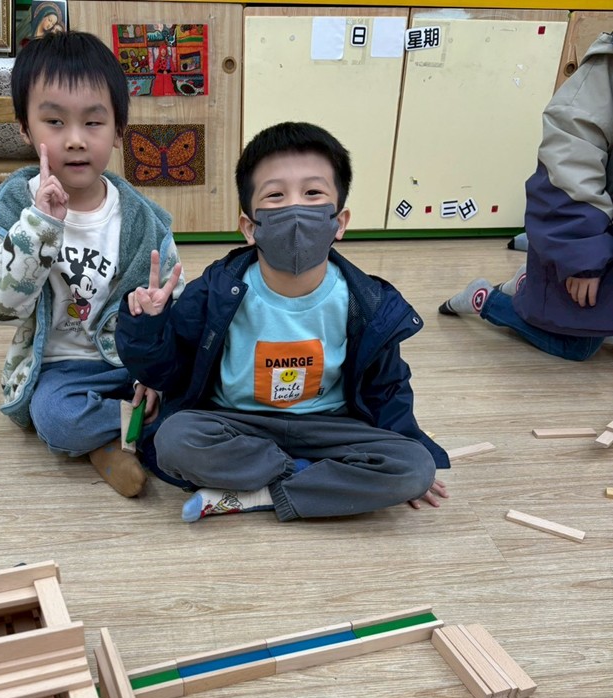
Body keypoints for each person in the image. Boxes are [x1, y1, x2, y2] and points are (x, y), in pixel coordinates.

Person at [116, 121, 449, 523]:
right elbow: (168, 369)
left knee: (415, 466)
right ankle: (310, 482)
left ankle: (258, 492)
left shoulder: (365, 301)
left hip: (330, 426)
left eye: (313, 194)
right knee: (174, 440)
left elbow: (387, 386)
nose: (295, 209)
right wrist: (148, 324)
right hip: (236, 424)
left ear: (339, 222)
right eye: (275, 195)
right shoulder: (217, 290)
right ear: (249, 227)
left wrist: (409, 452)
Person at [0, 31, 183, 497]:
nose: (76, 140)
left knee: (195, 378)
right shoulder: (9, 208)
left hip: (129, 364)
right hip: (59, 370)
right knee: (56, 419)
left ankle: (112, 440)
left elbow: (174, 300)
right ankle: (131, 433)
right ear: (25, 129)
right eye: (54, 122)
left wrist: (156, 327)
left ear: (119, 130)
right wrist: (39, 227)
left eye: (94, 122)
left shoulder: (144, 220)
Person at [439, 32, 613, 362]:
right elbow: (568, 168)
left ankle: (529, 286)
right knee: (577, 344)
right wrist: (581, 258)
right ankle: (486, 299)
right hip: (585, 241)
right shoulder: (603, 75)